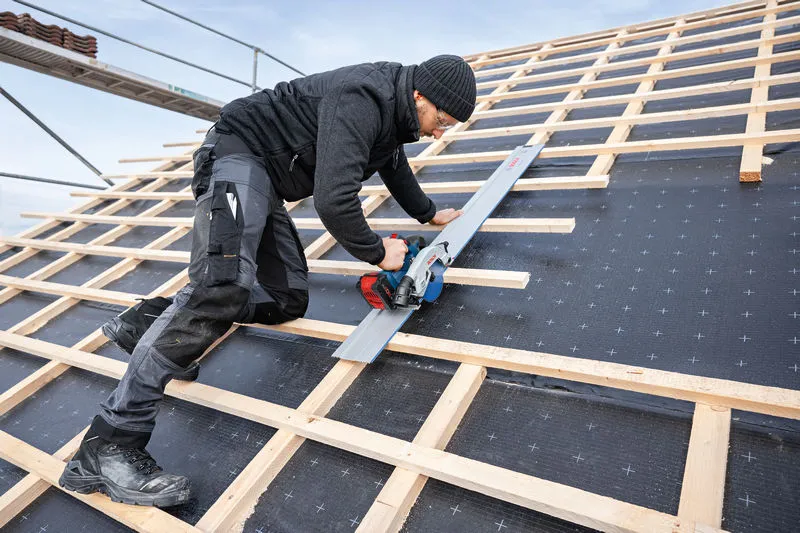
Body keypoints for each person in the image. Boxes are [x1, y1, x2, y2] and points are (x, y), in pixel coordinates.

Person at [59, 54, 476, 506]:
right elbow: (334, 201)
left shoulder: (393, 111)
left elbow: (392, 162)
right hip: (236, 157)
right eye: (443, 120)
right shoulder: (365, 95)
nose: (440, 132)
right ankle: (107, 447)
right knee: (220, 287)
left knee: (286, 298)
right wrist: (378, 252)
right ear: (420, 96)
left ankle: (148, 323)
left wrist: (428, 213)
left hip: (264, 181)